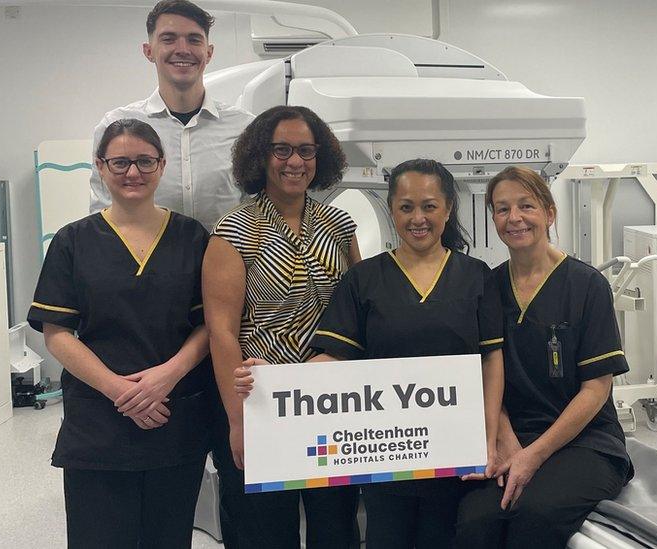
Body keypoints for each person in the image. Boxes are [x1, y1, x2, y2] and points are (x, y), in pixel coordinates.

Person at [242, 158, 505, 549]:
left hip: (457, 455)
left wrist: (488, 437)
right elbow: (336, 359)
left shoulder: (477, 276)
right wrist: (275, 380)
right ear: (392, 210)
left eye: (429, 206)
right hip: (387, 456)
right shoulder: (363, 280)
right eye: (406, 207)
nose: (418, 218)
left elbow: (490, 361)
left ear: (448, 209)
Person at [28, 118, 213, 548]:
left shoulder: (191, 236)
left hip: (172, 415)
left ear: (162, 165)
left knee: (168, 538)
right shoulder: (73, 241)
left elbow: (208, 324)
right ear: (100, 166)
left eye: (145, 161)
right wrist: (119, 391)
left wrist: (165, 377)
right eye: (121, 162)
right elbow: (57, 332)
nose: (133, 173)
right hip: (99, 421)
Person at [202, 104, 362, 548]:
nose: (295, 162)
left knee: (335, 527)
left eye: (306, 150)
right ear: (260, 156)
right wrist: (238, 420)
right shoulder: (233, 230)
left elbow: (356, 313)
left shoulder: (339, 225)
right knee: (263, 532)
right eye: (282, 149)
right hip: (259, 400)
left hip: (328, 400)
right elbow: (221, 331)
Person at [454, 166, 634, 549]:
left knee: (535, 514)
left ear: (550, 213)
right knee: (476, 518)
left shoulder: (586, 286)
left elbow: (596, 389)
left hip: (586, 442)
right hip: (514, 434)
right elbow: (488, 372)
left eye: (526, 206)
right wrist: (506, 442)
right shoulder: (489, 285)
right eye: (502, 209)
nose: (514, 218)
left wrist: (533, 456)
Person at [88, 0, 254, 231]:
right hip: (144, 265)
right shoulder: (115, 128)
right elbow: (103, 215)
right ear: (149, 51)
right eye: (168, 39)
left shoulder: (244, 127)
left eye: (194, 39)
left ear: (209, 52)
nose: (183, 49)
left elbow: (256, 212)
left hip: (226, 264)